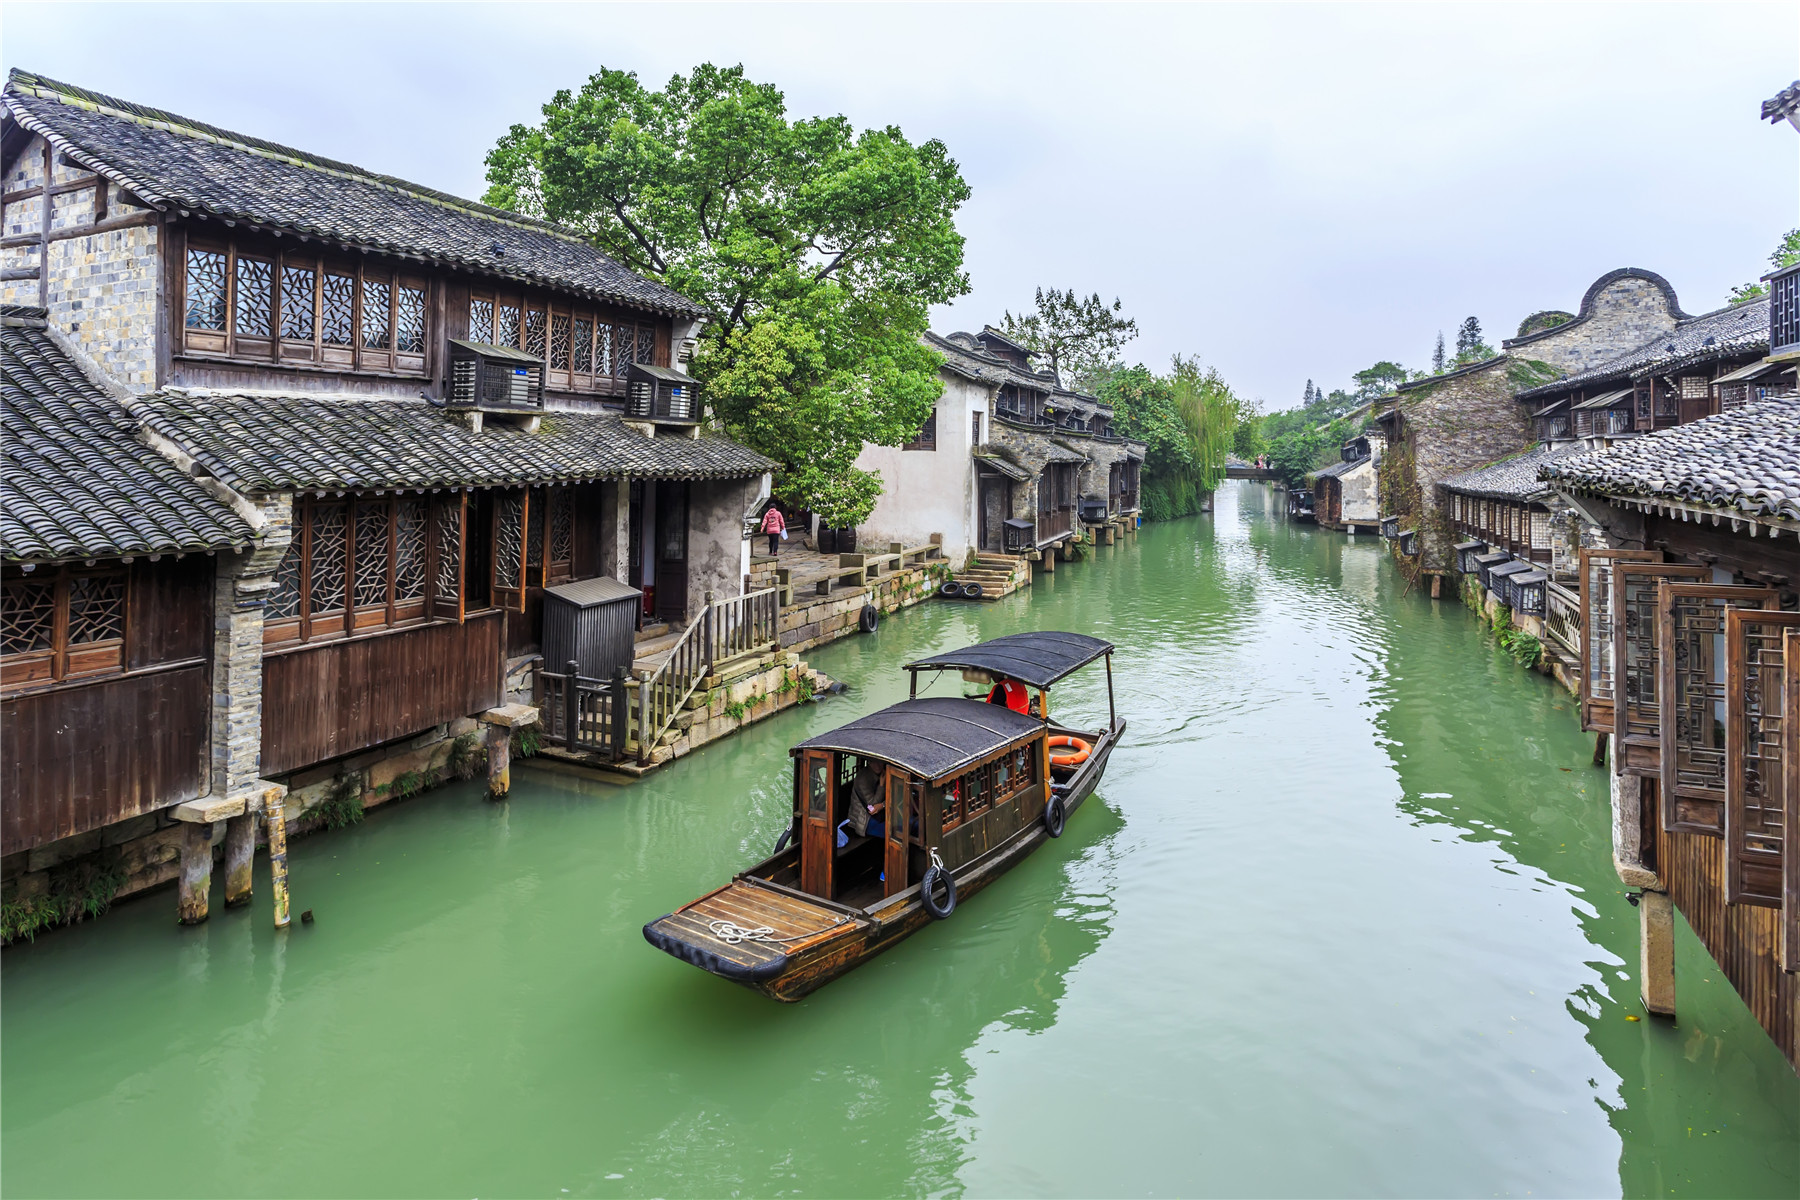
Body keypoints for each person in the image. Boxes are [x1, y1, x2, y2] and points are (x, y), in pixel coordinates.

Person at [847, 758, 886, 840]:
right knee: (895, 833)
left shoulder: (884, 772)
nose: (877, 766)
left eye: (880, 762)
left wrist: (883, 805)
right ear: (869, 762)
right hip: (865, 819)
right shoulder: (863, 779)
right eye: (873, 762)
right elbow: (872, 804)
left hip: (881, 814)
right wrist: (881, 785)